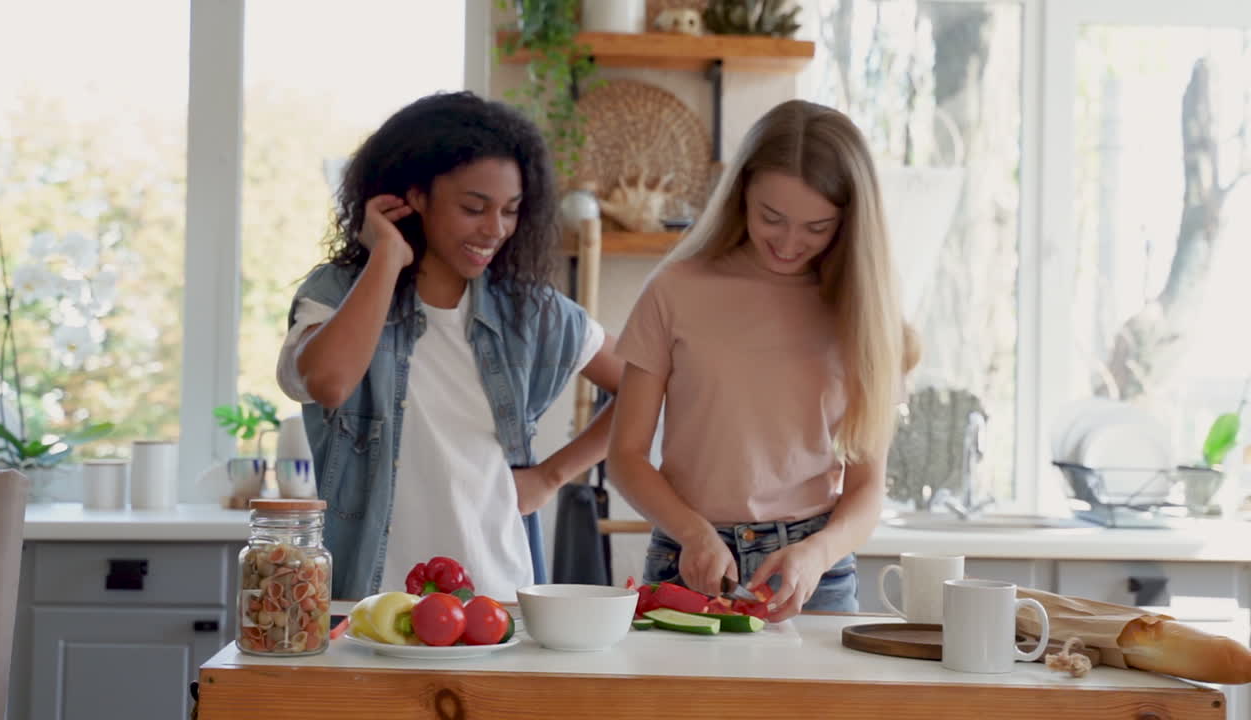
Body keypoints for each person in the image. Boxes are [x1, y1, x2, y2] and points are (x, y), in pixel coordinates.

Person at [276, 92, 621, 601]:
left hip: (495, 603)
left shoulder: (530, 312)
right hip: (366, 606)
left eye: (510, 210)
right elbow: (328, 383)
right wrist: (387, 257)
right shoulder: (338, 293)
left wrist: (551, 476)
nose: (495, 229)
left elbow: (650, 386)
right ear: (415, 195)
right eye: (473, 208)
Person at [607, 99, 919, 620]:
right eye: (771, 218)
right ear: (741, 193)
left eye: (817, 227)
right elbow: (626, 455)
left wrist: (816, 553)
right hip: (689, 559)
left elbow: (866, 493)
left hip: (812, 574)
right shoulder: (674, 291)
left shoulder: (865, 315)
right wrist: (693, 533)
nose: (790, 243)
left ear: (848, 222)